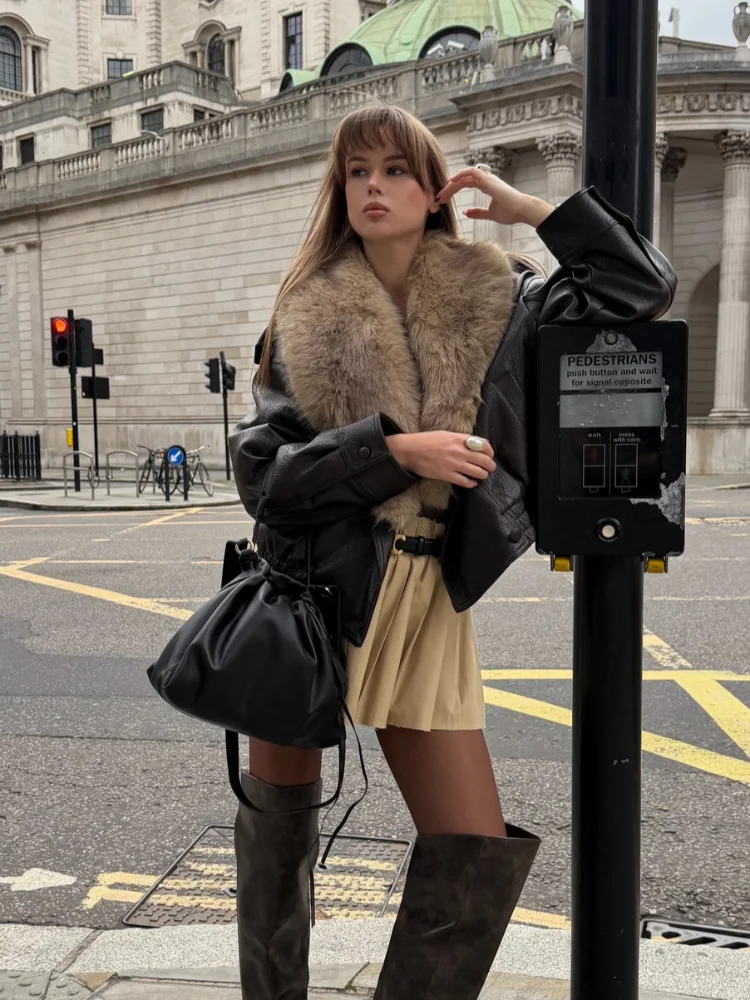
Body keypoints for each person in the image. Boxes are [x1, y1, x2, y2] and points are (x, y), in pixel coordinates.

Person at [228, 103, 675, 1000]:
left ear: (436, 191)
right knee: (278, 833)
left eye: (394, 169)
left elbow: (638, 289)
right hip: (310, 598)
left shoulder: (505, 296)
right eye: (357, 173)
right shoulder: (304, 310)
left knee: (471, 848)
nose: (372, 187)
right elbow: (264, 475)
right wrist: (392, 452)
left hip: (424, 597)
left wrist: (535, 211)